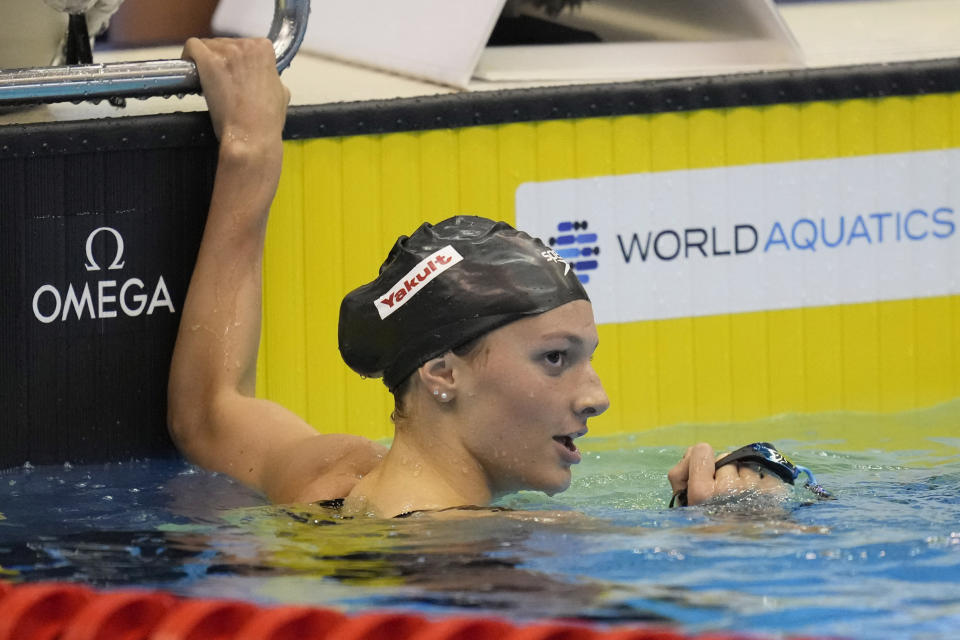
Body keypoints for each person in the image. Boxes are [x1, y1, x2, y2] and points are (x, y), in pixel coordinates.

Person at [168, 38, 778, 518]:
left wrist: (251, 147)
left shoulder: (330, 478)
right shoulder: (504, 547)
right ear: (443, 373)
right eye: (556, 359)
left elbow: (207, 412)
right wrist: (739, 525)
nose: (597, 397)